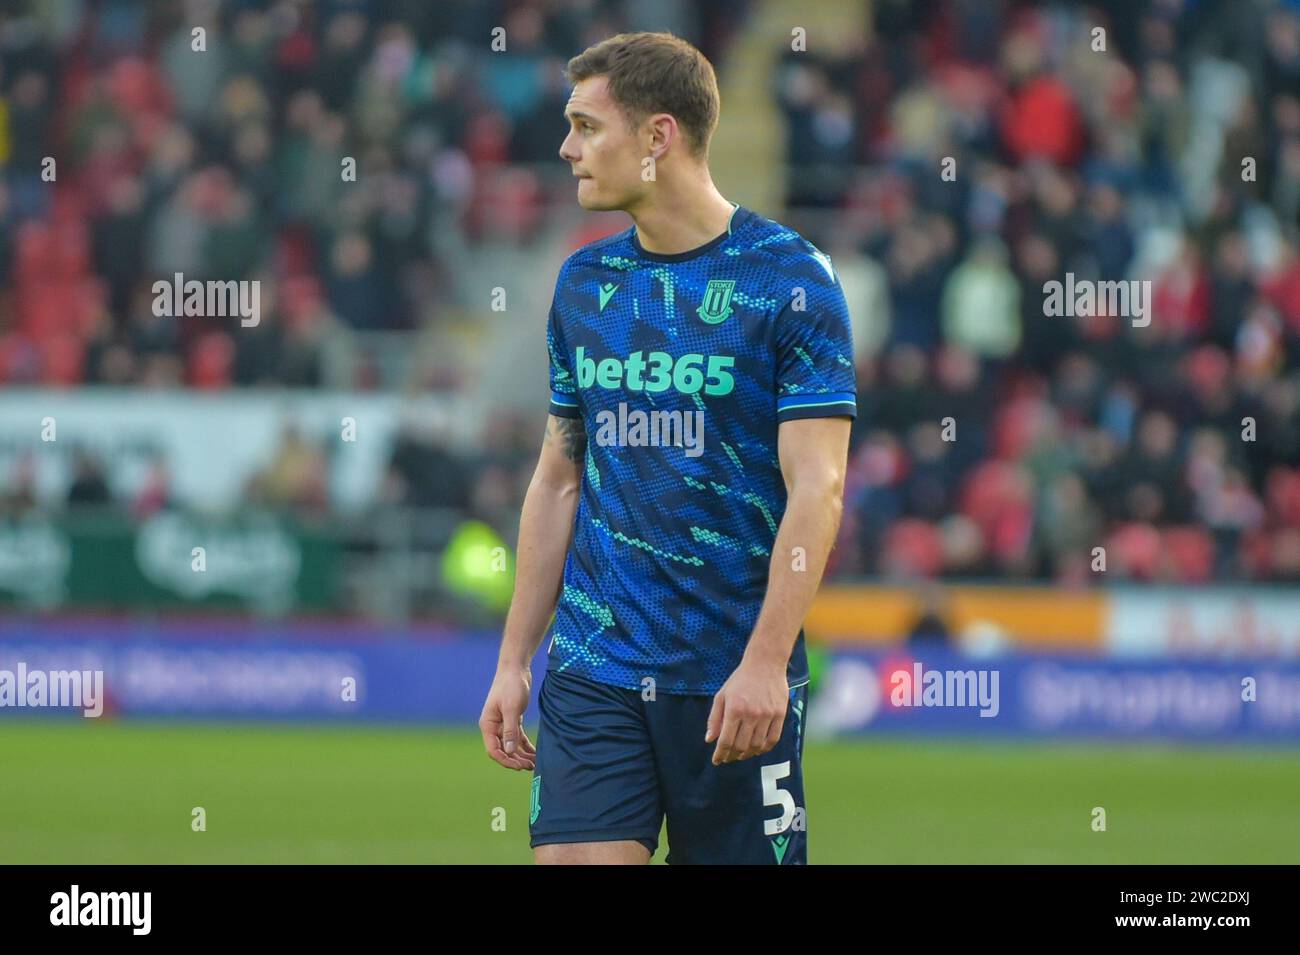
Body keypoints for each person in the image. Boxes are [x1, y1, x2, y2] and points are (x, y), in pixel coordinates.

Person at [478, 32, 856, 865]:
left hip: (733, 679)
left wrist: (764, 662)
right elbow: (557, 479)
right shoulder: (584, 286)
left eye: (586, 126)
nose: (566, 148)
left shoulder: (790, 280)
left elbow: (818, 488)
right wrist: (514, 658)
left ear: (657, 138)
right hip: (596, 661)